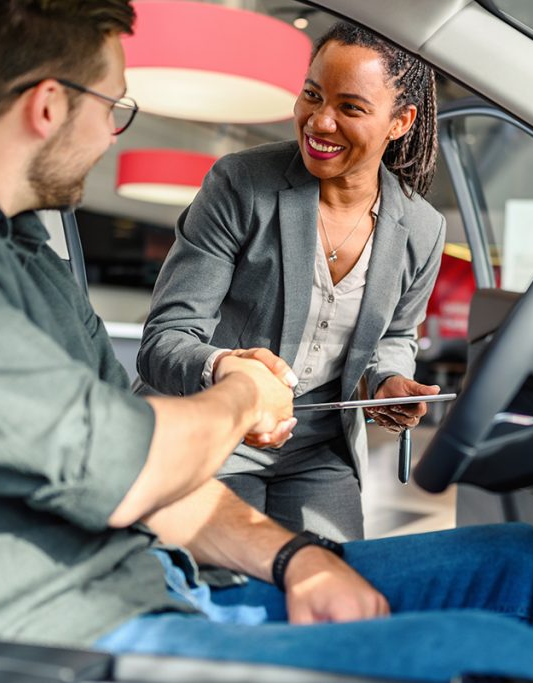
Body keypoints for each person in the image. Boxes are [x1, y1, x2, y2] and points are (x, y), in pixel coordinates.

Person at [0, 2, 533, 682]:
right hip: (68, 628)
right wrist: (240, 390)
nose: (113, 130)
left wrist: (295, 557)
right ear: (46, 106)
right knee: (530, 663)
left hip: (167, 558)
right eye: (115, 107)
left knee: (524, 565)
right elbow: (119, 456)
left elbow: (140, 464)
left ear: (400, 122)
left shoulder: (20, 248)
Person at [135, 22, 445, 542]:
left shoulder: (422, 228)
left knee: (335, 584)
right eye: (312, 95)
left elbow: (394, 336)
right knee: (226, 590)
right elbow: (165, 341)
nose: (319, 122)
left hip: (318, 452)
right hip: (213, 430)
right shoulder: (240, 183)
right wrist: (227, 368)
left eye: (350, 107)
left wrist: (388, 383)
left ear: (400, 121)